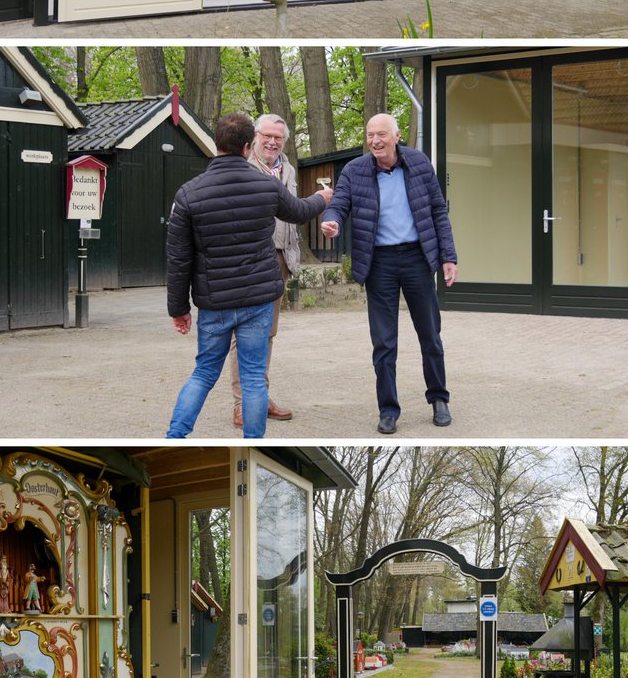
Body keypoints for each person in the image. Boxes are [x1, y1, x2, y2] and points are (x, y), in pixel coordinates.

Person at [165, 112, 332, 438]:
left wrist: (178, 309)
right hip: (258, 300)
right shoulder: (266, 186)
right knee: (254, 375)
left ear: (217, 144)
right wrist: (322, 198)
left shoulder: (188, 194)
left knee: (202, 373)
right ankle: (253, 440)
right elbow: (299, 211)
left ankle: (176, 435)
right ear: (247, 146)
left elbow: (178, 258)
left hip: (214, 302)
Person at [320, 113, 458, 434]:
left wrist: (448, 256)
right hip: (378, 263)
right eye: (370, 135)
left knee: (430, 334)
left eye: (381, 134)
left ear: (396, 136)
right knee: (383, 342)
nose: (375, 141)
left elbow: (438, 210)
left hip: (417, 258)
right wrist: (332, 220)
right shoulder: (355, 171)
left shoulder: (419, 164)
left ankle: (438, 398)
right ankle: (388, 409)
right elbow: (339, 203)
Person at [229, 113, 299, 428]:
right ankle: (242, 404)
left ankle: (260, 397)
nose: (272, 142)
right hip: (248, 260)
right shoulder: (241, 168)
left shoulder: (289, 170)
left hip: (279, 258)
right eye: (267, 136)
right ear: (255, 136)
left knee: (268, 332)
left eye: (278, 138)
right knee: (243, 334)